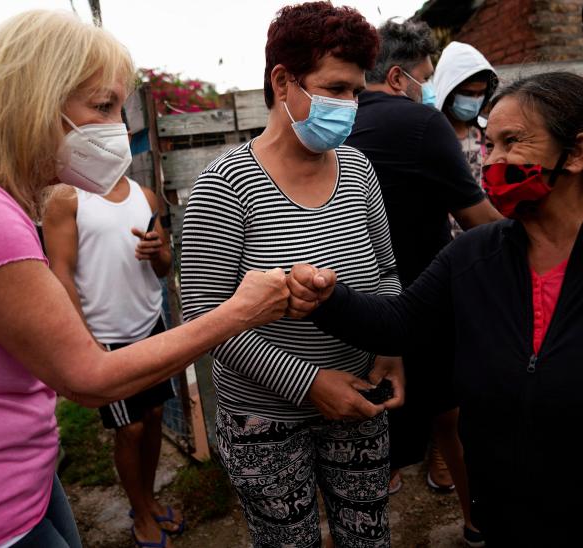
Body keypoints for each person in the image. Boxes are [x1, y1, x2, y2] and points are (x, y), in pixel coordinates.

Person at [0, 11, 289, 548]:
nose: (118, 128)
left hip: (0, 478)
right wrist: (240, 311)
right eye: (102, 106)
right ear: (33, 101)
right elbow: (88, 377)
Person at [287, 72, 583, 547]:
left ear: (578, 153)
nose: (494, 160)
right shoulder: (472, 256)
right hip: (514, 522)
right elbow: (398, 326)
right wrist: (324, 298)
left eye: (512, 142)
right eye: (489, 145)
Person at [179, 3, 404, 546]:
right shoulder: (225, 185)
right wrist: (309, 384)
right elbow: (204, 319)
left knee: (367, 535)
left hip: (357, 399)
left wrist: (391, 351)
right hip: (264, 421)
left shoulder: (358, 168)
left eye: (355, 91)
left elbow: (387, 274)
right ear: (283, 80)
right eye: (335, 88)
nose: (350, 105)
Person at [346, 19, 500, 545]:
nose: (429, 89)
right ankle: (477, 521)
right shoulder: (419, 122)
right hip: (425, 300)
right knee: (453, 419)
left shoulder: (326, 123)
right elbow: (482, 221)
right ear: (397, 77)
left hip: (349, 309)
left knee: (366, 430)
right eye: (426, 77)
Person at [43, 112, 183, 546]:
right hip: (107, 337)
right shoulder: (65, 199)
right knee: (130, 429)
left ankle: (151, 499)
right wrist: (84, 342)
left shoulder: (145, 196)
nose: (111, 130)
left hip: (151, 325)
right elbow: (60, 273)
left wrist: (158, 250)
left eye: (116, 120)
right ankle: (140, 511)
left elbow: (165, 267)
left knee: (155, 416)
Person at [433, 41, 498, 186]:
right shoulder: (431, 136)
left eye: (481, 93)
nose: (475, 100)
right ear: (448, 91)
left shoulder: (486, 132)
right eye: (468, 93)